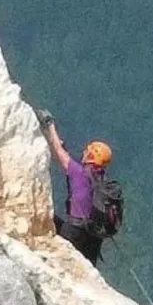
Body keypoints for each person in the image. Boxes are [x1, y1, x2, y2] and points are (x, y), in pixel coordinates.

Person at [38, 109, 116, 264]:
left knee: (45, 219)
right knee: (86, 270)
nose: (84, 153)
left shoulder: (79, 172)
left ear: (91, 155)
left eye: (88, 152)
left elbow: (59, 154)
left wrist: (49, 125)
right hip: (94, 237)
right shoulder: (103, 183)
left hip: (74, 230)